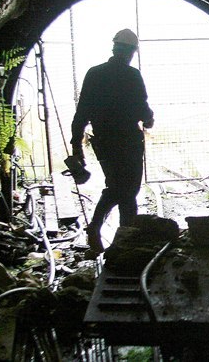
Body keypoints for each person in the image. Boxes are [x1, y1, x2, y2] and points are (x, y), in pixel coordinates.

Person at [70, 28, 154, 253]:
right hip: (129, 141)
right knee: (127, 189)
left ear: (114, 48)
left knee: (117, 186)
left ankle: (111, 232)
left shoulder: (94, 74)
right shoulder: (132, 76)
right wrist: (149, 120)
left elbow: (82, 112)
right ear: (132, 52)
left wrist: (76, 143)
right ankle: (121, 235)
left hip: (105, 143)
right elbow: (142, 108)